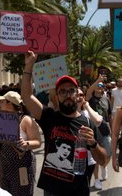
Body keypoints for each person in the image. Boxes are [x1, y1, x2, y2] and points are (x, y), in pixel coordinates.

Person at [21, 51, 107, 196]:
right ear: (57, 96)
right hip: (52, 190)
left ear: (77, 93)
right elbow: (27, 96)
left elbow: (103, 160)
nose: (67, 95)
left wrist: (92, 143)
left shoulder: (87, 123)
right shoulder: (49, 116)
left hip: (78, 190)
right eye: (63, 92)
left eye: (71, 91)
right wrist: (29, 66)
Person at [0, 91, 41, 196]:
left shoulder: (25, 120)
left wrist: (26, 143)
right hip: (4, 164)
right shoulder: (0, 119)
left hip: (22, 165)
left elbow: (38, 141)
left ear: (9, 104)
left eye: (2, 101)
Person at [86, 76, 112, 190]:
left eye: (102, 86)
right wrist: (98, 81)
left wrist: (111, 127)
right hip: (94, 131)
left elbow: (110, 115)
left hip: (105, 131)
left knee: (109, 152)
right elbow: (88, 92)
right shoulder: (90, 99)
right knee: (95, 156)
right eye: (98, 86)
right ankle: (96, 179)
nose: (100, 88)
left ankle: (104, 166)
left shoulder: (106, 99)